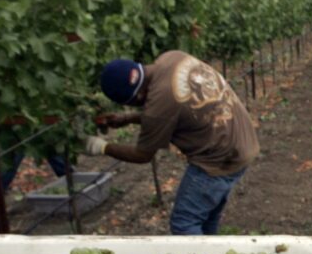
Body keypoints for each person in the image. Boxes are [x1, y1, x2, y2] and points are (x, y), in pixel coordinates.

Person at [85, 52, 260, 235]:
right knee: (206, 216)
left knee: (184, 223)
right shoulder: (172, 57)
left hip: (220, 160)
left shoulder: (158, 106)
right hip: (242, 142)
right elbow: (170, 112)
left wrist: (102, 147)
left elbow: (142, 155)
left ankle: (202, 253)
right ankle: (211, 250)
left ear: (138, 96)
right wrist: (127, 119)